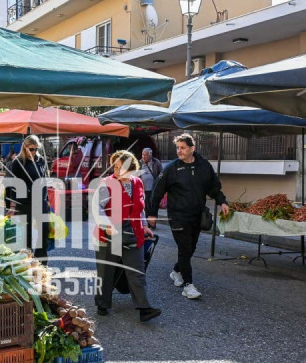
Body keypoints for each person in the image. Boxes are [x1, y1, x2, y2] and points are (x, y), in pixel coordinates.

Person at [147, 133, 229, 299]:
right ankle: (188, 285)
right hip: (178, 216)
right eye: (178, 148)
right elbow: (156, 192)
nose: (179, 151)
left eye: (183, 148)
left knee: (191, 248)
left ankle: (177, 271)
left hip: (197, 215)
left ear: (192, 148)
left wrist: (222, 201)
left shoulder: (204, 166)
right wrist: (152, 214)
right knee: (184, 248)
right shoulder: (171, 168)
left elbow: (213, 188)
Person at [93, 150, 161, 322]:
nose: (116, 170)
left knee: (137, 271)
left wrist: (144, 225)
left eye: (120, 167)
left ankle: (144, 309)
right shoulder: (107, 183)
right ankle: (102, 304)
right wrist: (106, 225)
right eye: (115, 166)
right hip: (110, 232)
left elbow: (141, 208)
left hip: (134, 232)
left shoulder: (137, 182)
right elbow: (97, 208)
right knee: (106, 271)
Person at [8, 135, 49, 260]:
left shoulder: (40, 160)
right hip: (24, 203)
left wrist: (47, 201)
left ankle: (41, 262)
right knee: (27, 235)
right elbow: (13, 186)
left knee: (44, 232)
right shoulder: (17, 162)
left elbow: (44, 181)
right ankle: (27, 262)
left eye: (36, 149)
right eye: (31, 149)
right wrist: (12, 206)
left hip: (40, 201)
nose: (34, 152)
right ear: (24, 148)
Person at [138, 148, 162, 215]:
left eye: (146, 155)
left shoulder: (156, 162)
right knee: (144, 208)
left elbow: (161, 174)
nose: (143, 156)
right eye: (143, 154)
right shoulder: (139, 163)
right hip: (143, 190)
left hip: (153, 190)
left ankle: (152, 224)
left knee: (153, 208)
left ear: (150, 155)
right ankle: (146, 223)